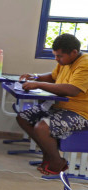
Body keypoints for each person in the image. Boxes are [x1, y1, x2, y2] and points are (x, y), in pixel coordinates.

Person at [17, 33, 88, 175]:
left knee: (42, 128)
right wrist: (36, 77)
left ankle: (57, 162)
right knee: (23, 117)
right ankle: (48, 154)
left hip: (80, 113)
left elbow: (73, 90)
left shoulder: (85, 64)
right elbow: (53, 77)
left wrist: (38, 84)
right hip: (60, 107)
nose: (56, 59)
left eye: (59, 56)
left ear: (74, 52)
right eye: (55, 55)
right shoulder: (66, 62)